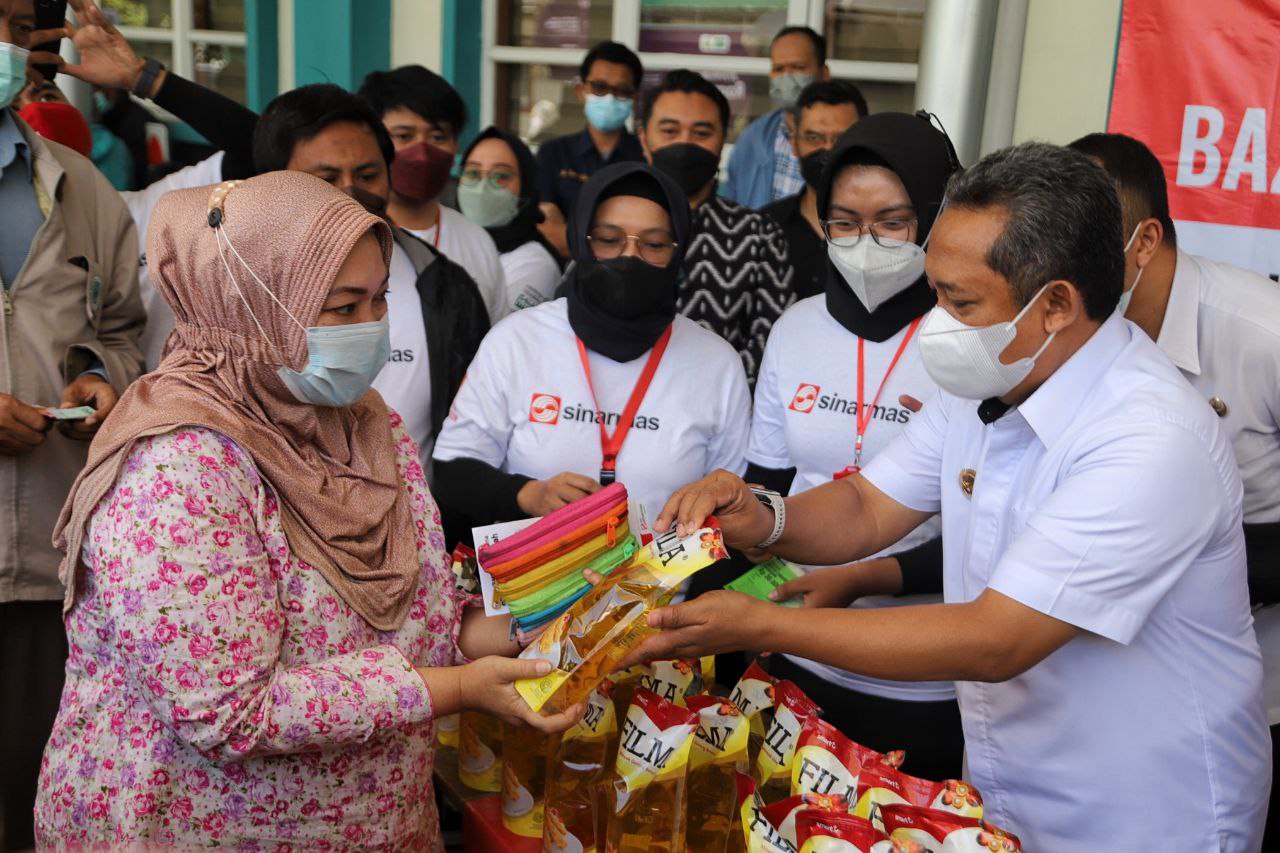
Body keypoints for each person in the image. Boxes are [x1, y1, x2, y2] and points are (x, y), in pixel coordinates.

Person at [628, 142, 1271, 851]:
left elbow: (996, 638)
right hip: (1004, 782)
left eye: (959, 301)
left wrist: (761, 625)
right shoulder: (990, 379)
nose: (936, 319)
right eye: (935, 290)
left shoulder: (1149, 436)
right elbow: (869, 505)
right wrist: (762, 516)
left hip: (1139, 808)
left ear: (1056, 304)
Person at [34, 172, 579, 850]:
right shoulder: (177, 467)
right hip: (200, 828)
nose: (371, 328)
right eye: (342, 307)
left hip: (377, 825)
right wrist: (462, 688)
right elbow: (226, 711)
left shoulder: (369, 429)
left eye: (379, 299)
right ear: (246, 306)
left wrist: (535, 626)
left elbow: (413, 619)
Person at [1069, 130, 1280, 845]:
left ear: (1146, 239)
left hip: (1255, 682)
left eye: (1084, 232)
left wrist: (1195, 555)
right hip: (1100, 684)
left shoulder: (1260, 332)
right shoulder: (1065, 332)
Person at [750, 112, 961, 780]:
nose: (866, 243)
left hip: (925, 676)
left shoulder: (970, 339)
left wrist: (864, 577)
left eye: (893, 223)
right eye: (844, 223)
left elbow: (988, 529)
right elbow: (769, 484)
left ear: (935, 216)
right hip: (799, 653)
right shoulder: (794, 328)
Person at [0, 3, 146, 848]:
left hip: (48, 573)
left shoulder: (81, 187)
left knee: (40, 807)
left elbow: (122, 327)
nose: (8, 44)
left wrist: (101, 375)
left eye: (22, 25)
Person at [432, 162, 750, 533]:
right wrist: (529, 495)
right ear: (581, 240)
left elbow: (736, 499)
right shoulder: (517, 340)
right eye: (609, 239)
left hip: (667, 572)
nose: (629, 257)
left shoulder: (716, 363)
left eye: (653, 244)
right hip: (534, 570)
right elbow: (453, 471)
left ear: (678, 252)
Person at [639, 69, 793, 384]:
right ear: (644, 138)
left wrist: (713, 396)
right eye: (669, 130)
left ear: (723, 139)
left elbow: (773, 345)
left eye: (702, 132)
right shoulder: (612, 227)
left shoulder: (760, 234)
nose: (685, 143)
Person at [359, 65, 509, 325]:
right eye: (404, 136)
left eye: (438, 136)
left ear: (456, 145)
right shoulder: (353, 240)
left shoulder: (477, 241)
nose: (422, 152)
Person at [536, 40, 645, 259]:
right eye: (599, 87)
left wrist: (569, 233)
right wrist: (615, 242)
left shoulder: (646, 158)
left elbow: (647, 238)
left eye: (621, 90)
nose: (609, 98)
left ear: (634, 99)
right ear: (581, 91)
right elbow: (544, 232)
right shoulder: (552, 153)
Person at [761, 80, 866, 300]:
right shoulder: (762, 227)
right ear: (794, 143)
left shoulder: (886, 231)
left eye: (841, 138)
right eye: (814, 138)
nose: (827, 148)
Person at [721, 26, 830, 209]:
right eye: (778, 68)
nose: (786, 77)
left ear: (824, 74)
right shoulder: (752, 139)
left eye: (798, 67)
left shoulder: (842, 138)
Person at [458, 126, 563, 312]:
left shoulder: (535, 265)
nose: (482, 188)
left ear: (525, 188)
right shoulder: (448, 239)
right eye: (473, 173)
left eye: (501, 176)